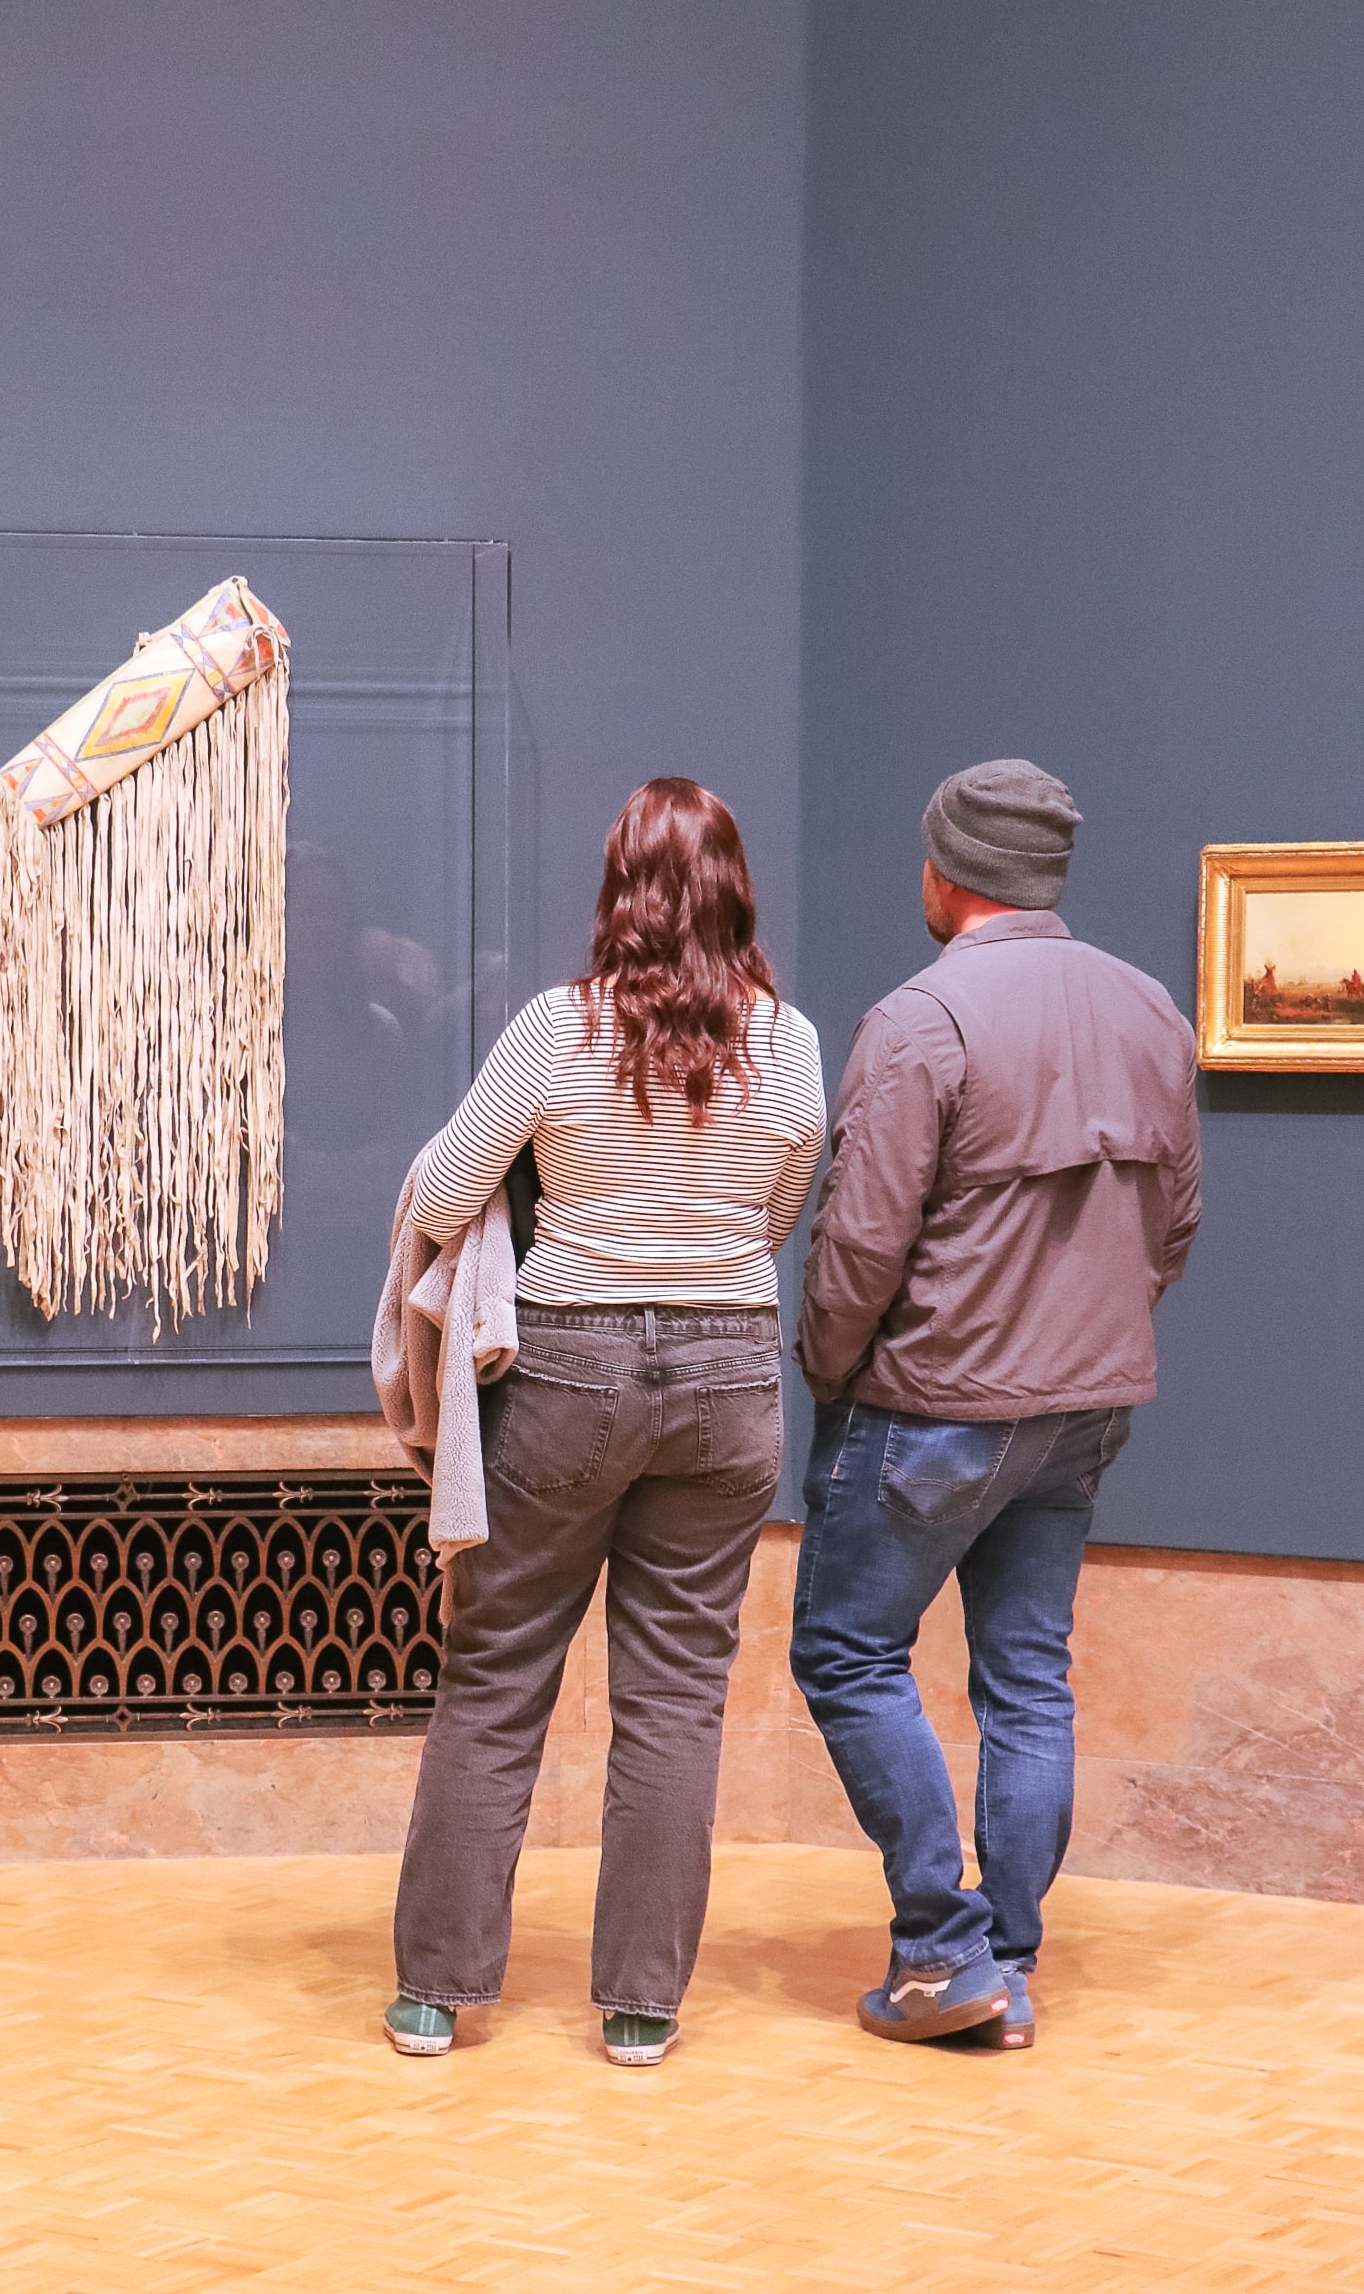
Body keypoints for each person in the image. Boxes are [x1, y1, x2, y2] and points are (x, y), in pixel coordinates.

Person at [382, 778, 825, 2066]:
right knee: (679, 1697)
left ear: (619, 892)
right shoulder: (787, 1041)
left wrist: (539, 1207)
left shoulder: (555, 1031)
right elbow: (783, 1203)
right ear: (735, 887)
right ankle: (640, 2007)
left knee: (498, 1677)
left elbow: (445, 1180)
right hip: (732, 1373)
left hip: (568, 1373)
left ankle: (435, 1995)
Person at [789, 759, 1200, 2050]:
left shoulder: (921, 1019)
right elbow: (1172, 1226)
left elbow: (859, 1246)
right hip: (1084, 1409)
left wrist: (827, 1364)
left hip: (931, 1405)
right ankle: (1007, 1959)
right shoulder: (1150, 1010)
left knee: (847, 1650)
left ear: (945, 869)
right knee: (1028, 1679)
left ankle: (942, 1947)